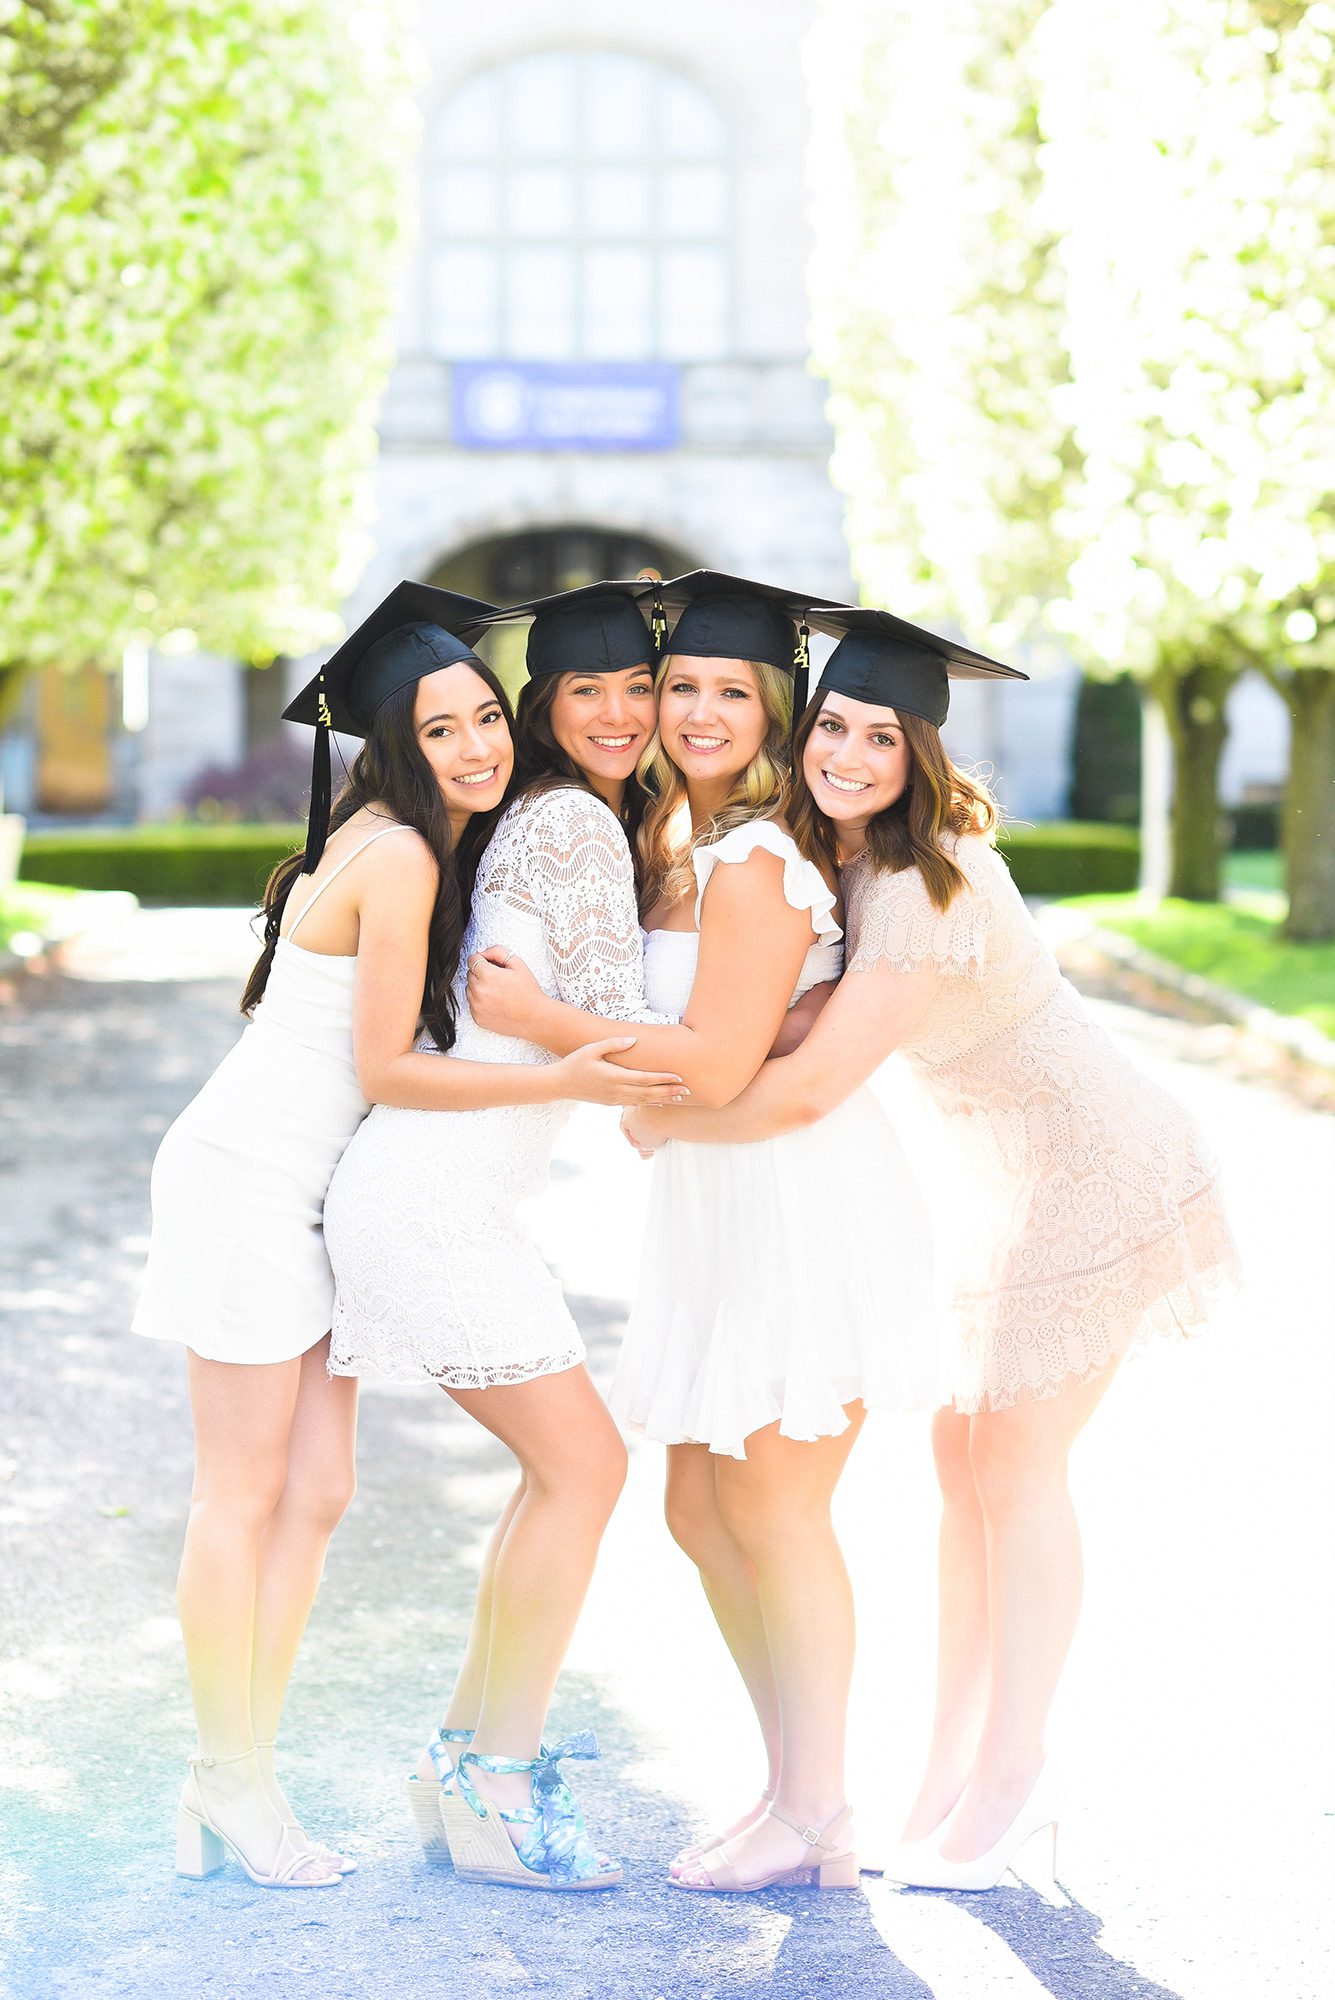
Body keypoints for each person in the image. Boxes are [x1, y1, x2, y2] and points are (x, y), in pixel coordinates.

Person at [622, 607, 1241, 1891]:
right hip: (1008, 1180)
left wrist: (664, 1114)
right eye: (834, 727)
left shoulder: (917, 877)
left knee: (1014, 1467)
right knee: (963, 1468)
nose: (849, 754)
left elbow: (811, 1086)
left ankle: (1017, 1777)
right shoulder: (847, 852)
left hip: (1095, 1163)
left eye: (881, 737)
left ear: (923, 753)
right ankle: (949, 1776)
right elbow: (811, 1014)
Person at [134, 582, 672, 1892]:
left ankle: (240, 1774)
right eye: (441, 730)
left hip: (312, 1183)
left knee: (315, 1491)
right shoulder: (402, 855)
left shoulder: (402, 835)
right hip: (250, 1180)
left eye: (485, 717)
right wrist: (564, 1070)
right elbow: (385, 1064)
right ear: (393, 744)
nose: (477, 747)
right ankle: (226, 1776)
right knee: (241, 1493)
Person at [467, 575, 938, 1896]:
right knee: (698, 1508)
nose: (698, 711)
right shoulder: (679, 840)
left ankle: (821, 1808)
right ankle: (793, 1787)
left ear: (776, 708)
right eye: (683, 687)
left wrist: (545, 1022)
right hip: (715, 1202)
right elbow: (730, 1026)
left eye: (733, 691)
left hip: (792, 1197)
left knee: (778, 1508)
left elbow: (720, 1062)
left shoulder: (759, 855)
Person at [324, 581, 689, 1892]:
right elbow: (631, 1041)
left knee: (563, 1473)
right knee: (583, 1469)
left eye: (639, 689)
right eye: (586, 691)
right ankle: (495, 1774)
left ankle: (462, 1764)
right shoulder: (572, 823)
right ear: (547, 705)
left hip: (442, 1197)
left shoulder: (533, 812)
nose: (619, 714)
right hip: (431, 1203)